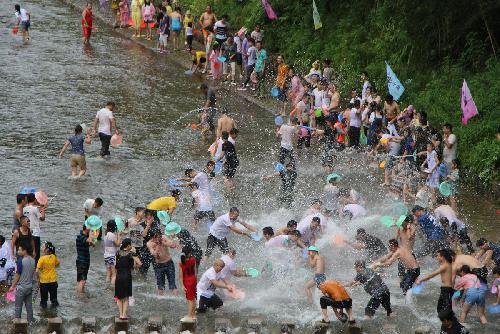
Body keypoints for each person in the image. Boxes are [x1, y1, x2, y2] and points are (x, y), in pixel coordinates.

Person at [416, 248, 455, 313]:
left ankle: (450, 321)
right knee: (441, 308)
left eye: (438, 256)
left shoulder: (445, 265)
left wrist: (421, 280)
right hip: (446, 289)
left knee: (445, 308)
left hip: (446, 289)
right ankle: (446, 321)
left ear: (442, 257)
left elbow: (432, 275)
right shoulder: (448, 264)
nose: (437, 257)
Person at [115, 238, 141, 320]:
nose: (132, 246)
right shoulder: (131, 254)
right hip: (127, 276)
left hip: (119, 276)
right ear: (128, 245)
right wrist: (135, 267)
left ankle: (120, 315)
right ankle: (124, 315)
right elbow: (140, 263)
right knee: (126, 297)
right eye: (131, 244)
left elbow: (116, 265)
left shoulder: (118, 253)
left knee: (119, 297)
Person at [9, 243, 36, 324]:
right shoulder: (33, 260)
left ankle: (18, 324)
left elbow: (17, 275)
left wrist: (12, 286)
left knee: (18, 307)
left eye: (19, 250)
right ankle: (31, 323)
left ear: (25, 251)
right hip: (29, 287)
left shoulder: (21, 261)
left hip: (21, 288)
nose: (18, 251)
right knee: (29, 307)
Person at [147, 230, 178, 296]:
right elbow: (154, 254)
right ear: (153, 238)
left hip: (169, 263)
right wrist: (158, 245)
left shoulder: (163, 238)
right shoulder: (149, 243)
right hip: (158, 266)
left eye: (160, 237)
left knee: (172, 284)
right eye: (157, 237)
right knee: (160, 286)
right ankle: (161, 301)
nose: (159, 238)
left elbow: (173, 246)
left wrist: (172, 238)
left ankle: (176, 298)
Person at [22, 193, 45, 264]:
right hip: (35, 234)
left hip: (27, 233)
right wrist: (43, 209)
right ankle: (35, 270)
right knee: (36, 254)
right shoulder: (35, 209)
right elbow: (42, 218)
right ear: (34, 199)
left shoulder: (24, 209)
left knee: (28, 253)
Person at [36, 241, 59, 308]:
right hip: (53, 281)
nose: (41, 248)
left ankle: (43, 312)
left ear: (47, 249)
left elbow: (37, 271)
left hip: (44, 282)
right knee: (54, 299)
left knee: (43, 300)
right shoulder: (54, 257)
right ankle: (54, 312)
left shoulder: (42, 259)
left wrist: (38, 279)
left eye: (43, 247)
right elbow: (57, 264)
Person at [179, 246, 197, 322]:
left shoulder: (181, 263)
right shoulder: (193, 259)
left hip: (187, 282)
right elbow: (195, 271)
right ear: (190, 253)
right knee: (193, 298)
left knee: (190, 299)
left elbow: (180, 276)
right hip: (194, 280)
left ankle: (189, 316)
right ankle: (193, 315)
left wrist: (182, 285)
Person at [76, 224, 94, 293]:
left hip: (84, 262)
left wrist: (93, 235)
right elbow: (89, 241)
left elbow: (93, 244)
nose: (91, 229)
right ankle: (80, 296)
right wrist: (90, 234)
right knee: (82, 281)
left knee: (81, 280)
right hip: (82, 262)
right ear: (86, 228)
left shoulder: (85, 237)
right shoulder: (80, 237)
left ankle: (80, 293)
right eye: (89, 227)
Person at [104, 220, 121, 285]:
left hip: (106, 255)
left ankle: (107, 285)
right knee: (114, 274)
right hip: (111, 256)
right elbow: (118, 244)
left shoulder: (106, 234)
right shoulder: (112, 235)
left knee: (108, 273)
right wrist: (119, 236)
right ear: (114, 227)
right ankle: (112, 288)